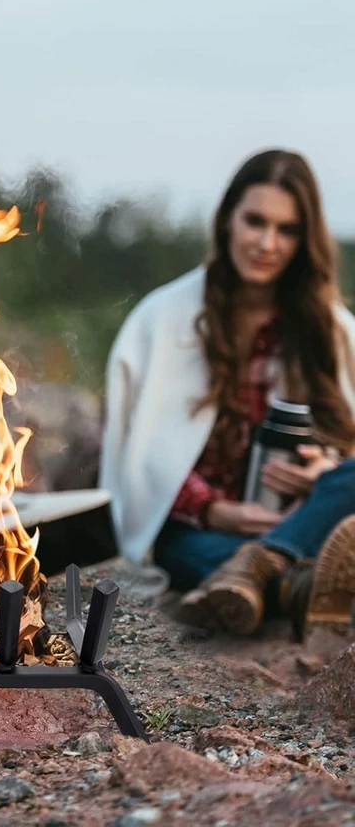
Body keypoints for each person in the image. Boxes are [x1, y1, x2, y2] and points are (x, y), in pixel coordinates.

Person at [100, 149, 355, 638]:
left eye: (287, 230)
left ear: (305, 241)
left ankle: (262, 571)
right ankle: (292, 583)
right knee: (185, 552)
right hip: (209, 529)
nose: (266, 243)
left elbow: (346, 446)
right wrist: (214, 510)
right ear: (227, 221)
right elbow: (143, 456)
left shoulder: (331, 330)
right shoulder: (163, 319)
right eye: (255, 221)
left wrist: (321, 473)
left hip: (302, 516)